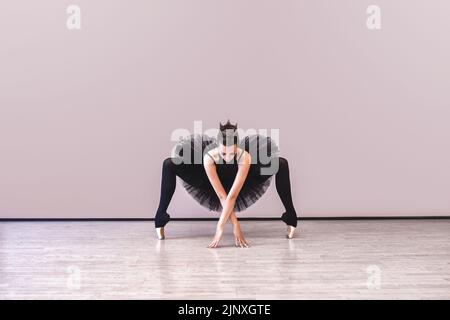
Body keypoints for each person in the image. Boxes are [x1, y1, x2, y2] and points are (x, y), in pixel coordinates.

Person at [154, 120, 299, 248]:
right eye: (224, 154)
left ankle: (291, 217)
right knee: (169, 164)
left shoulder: (244, 157)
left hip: (242, 177)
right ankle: (160, 217)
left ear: (238, 147)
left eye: (232, 153)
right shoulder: (209, 157)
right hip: (209, 179)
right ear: (217, 146)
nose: (228, 158)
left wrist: (225, 225)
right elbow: (223, 197)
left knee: (281, 164)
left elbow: (233, 195)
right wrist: (228, 227)